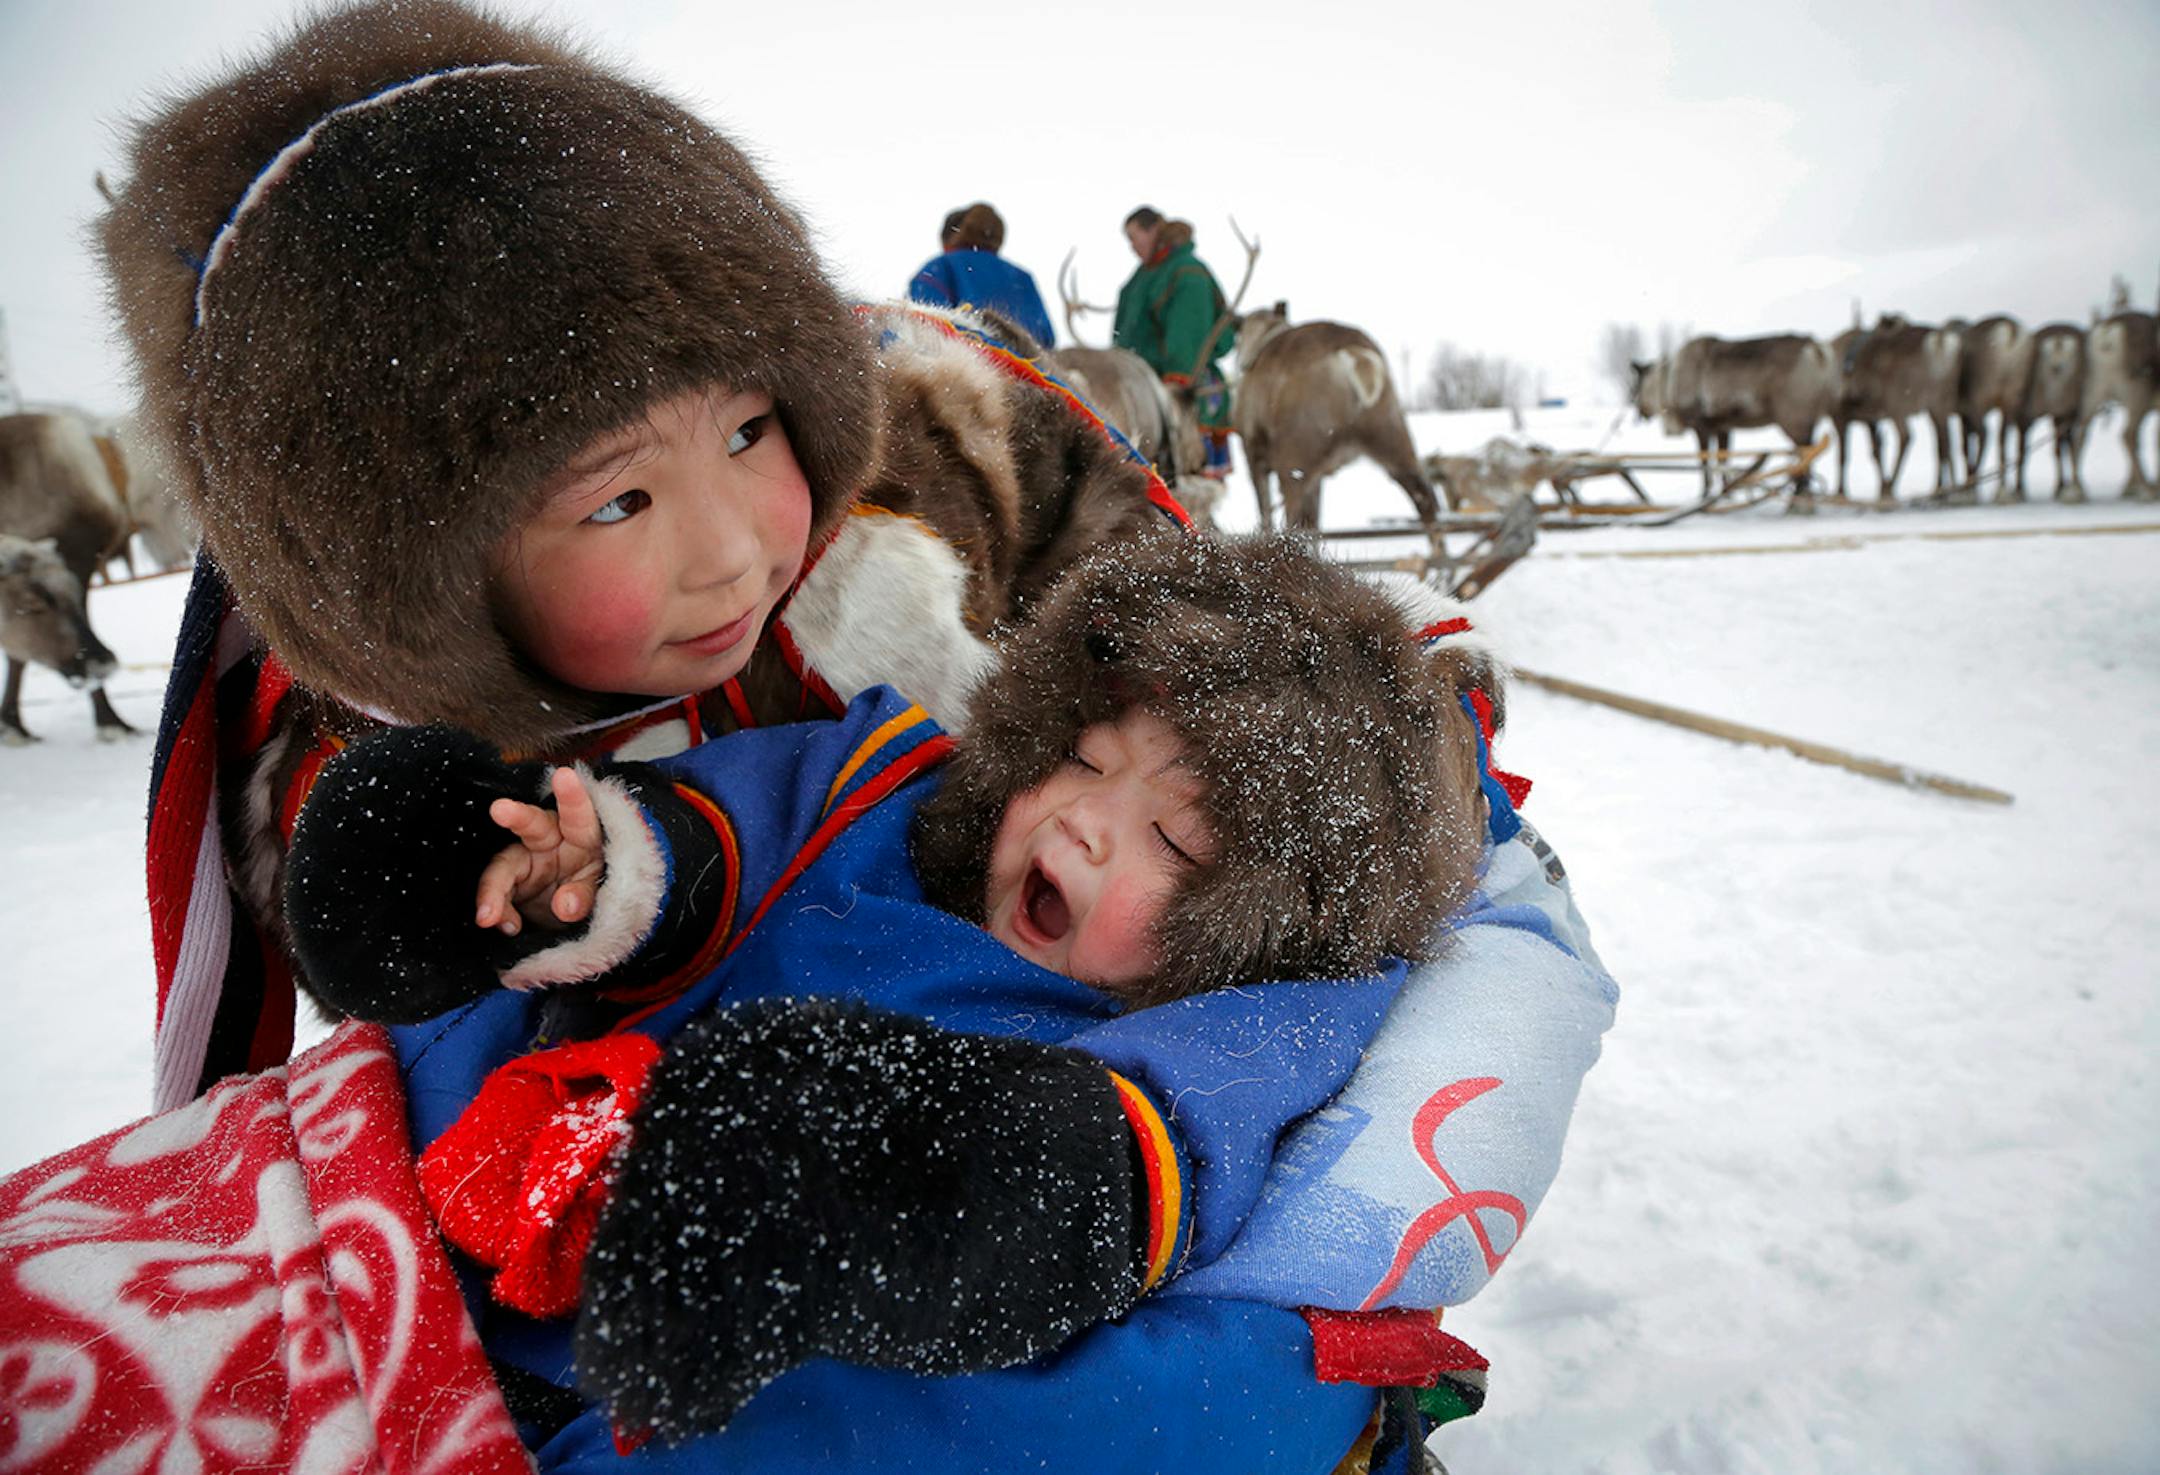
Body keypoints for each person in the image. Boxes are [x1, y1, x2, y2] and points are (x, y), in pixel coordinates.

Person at [5, 2, 1618, 1469]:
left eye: (759, 435)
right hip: (474, 1227)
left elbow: (1194, 674)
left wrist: (1394, 726)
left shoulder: (948, 496)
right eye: (617, 499)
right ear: (407, 567)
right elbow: (743, 831)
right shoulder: (392, 712)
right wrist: (547, 875)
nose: (730, 551)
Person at [280, 530, 1501, 1442]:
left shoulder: (1235, 1022)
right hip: (439, 1218)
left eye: (1174, 841)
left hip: (705, 1377)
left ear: (1268, 922)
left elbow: (1125, 1170)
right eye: (1078, 757)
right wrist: (576, 874)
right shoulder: (896, 805)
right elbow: (740, 827)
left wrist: (878, 1167)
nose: (1077, 819)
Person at [1114, 207, 1238, 479]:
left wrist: (1177, 381)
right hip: (1144, 385)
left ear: (1153, 231)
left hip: (1182, 393)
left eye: (1134, 238)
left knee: (1187, 479)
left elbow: (1187, 332)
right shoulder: (1146, 275)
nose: (1132, 247)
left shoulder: (1186, 272)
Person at [907, 201, 1058, 350]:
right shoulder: (1023, 277)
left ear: (949, 239)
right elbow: (1047, 338)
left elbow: (922, 325)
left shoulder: (940, 267)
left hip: (968, 365)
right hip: (1031, 370)